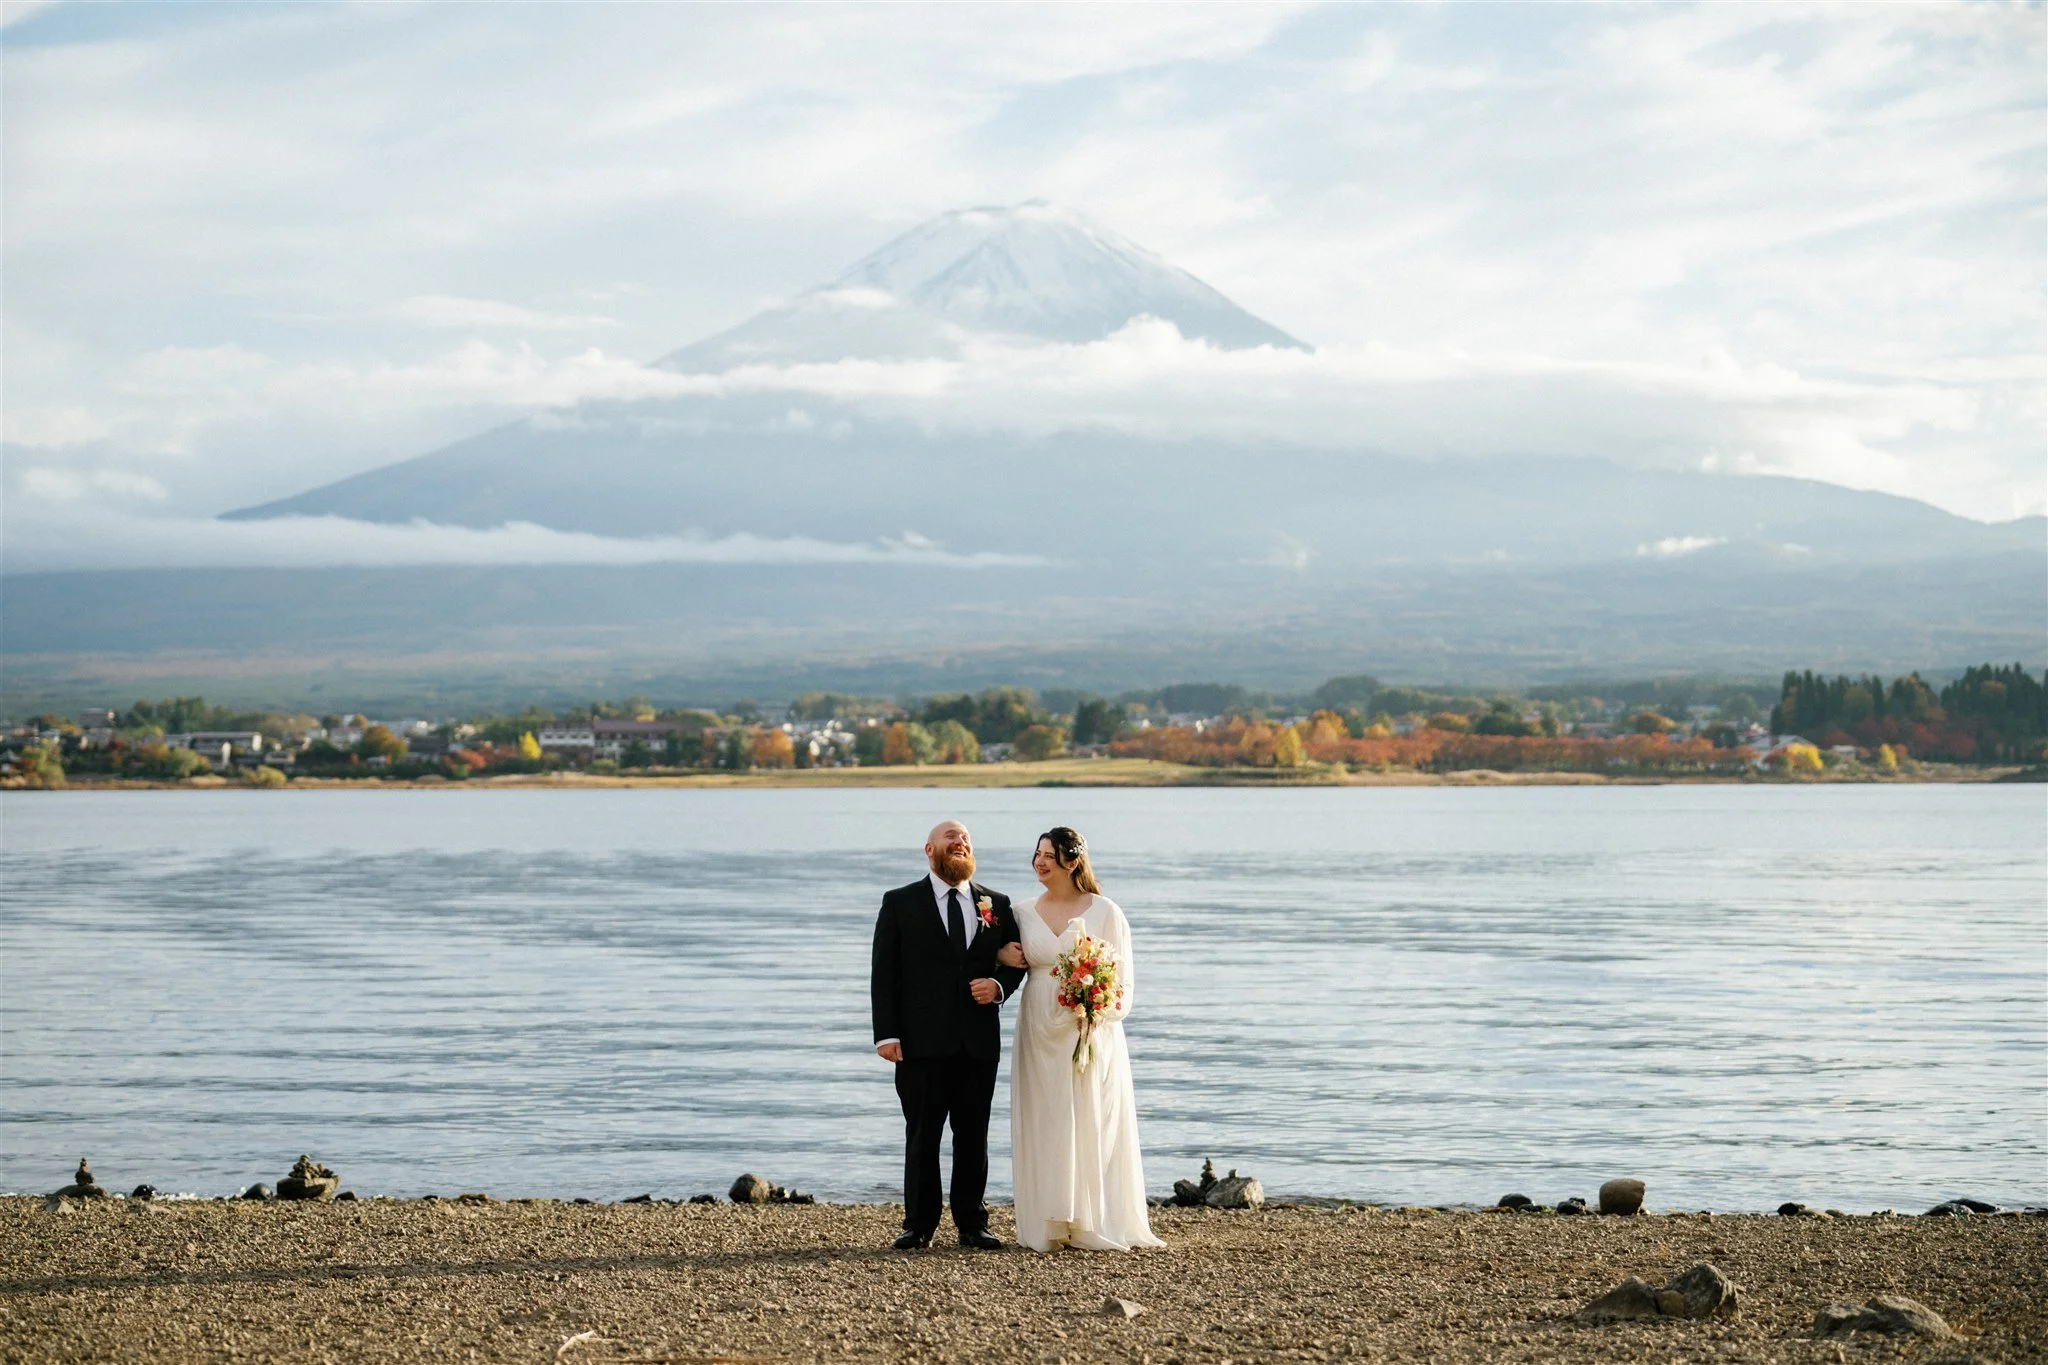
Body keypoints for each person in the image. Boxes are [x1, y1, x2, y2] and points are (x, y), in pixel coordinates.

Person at [995, 826, 1164, 1252]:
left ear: (1072, 861)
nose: (1040, 861)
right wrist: (998, 955)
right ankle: (1049, 1221)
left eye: (1049, 854)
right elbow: (1000, 954)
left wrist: (1095, 1010)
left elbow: (1122, 988)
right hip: (1038, 1027)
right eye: (1036, 853)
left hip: (1087, 1032)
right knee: (1045, 1118)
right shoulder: (1020, 912)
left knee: (1090, 1118)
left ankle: (1091, 1218)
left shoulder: (1106, 912)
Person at [870, 820, 1025, 1250]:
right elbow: (885, 973)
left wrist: (997, 989)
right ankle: (918, 1225)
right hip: (919, 1042)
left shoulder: (997, 903)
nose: (961, 843)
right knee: (922, 1134)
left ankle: (973, 1224)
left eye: (967, 840)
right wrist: (886, 1034)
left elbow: (1016, 963)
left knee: (973, 1134)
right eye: (951, 838)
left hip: (977, 1041)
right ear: (929, 849)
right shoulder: (900, 902)